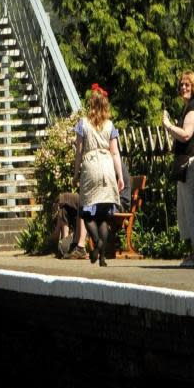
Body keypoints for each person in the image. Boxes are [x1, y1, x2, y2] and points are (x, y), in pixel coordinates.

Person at [73, 84, 124, 267]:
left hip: (90, 167)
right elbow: (115, 152)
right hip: (107, 168)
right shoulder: (110, 125)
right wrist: (120, 176)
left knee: (87, 212)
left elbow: (79, 152)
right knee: (103, 215)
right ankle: (101, 256)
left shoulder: (82, 124)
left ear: (91, 104)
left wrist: (75, 173)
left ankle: (96, 240)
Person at [162, 71, 194, 267]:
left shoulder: (193, 108)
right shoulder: (189, 107)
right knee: (185, 210)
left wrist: (168, 126)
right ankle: (193, 252)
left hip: (190, 164)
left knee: (191, 209)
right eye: (181, 84)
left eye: (187, 84)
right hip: (188, 164)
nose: (183, 88)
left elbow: (187, 135)